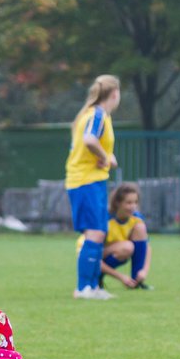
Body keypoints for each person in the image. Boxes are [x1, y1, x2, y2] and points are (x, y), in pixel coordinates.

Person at [65, 75, 121, 300]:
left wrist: (106, 156)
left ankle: (92, 287)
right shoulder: (98, 114)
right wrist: (105, 157)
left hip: (90, 180)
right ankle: (84, 288)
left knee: (98, 232)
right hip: (85, 181)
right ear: (114, 94)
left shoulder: (92, 115)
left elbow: (93, 145)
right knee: (95, 232)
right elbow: (90, 140)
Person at [77, 181, 153, 290]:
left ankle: (136, 281)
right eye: (129, 203)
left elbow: (147, 247)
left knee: (140, 228)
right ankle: (96, 277)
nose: (133, 206)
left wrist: (144, 271)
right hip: (88, 255)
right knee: (127, 247)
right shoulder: (105, 220)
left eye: (135, 202)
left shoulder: (136, 218)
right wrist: (121, 277)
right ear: (117, 203)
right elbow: (94, 256)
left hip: (110, 251)